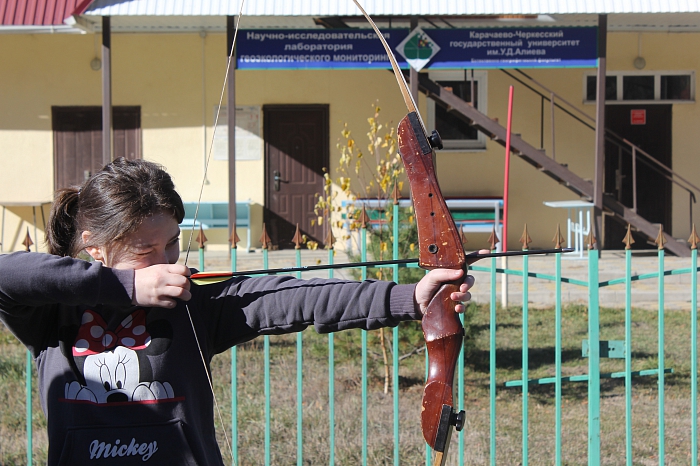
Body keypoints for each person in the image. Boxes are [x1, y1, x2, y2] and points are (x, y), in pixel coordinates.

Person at [0, 158, 477, 465]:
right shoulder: (52, 313)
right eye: (146, 250)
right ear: (94, 248)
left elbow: (292, 299)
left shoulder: (191, 302)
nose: (167, 262)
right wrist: (129, 286)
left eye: (173, 244)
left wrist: (409, 299)